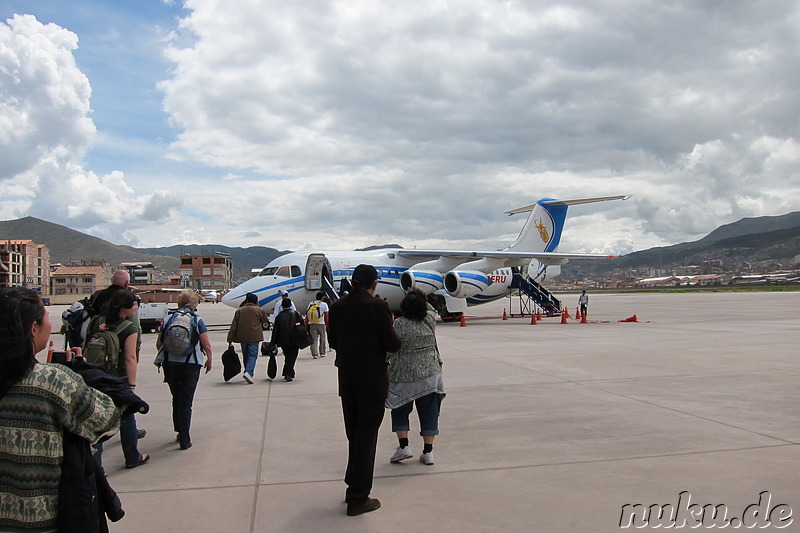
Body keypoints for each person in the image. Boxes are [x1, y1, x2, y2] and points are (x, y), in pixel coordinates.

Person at [0, 287, 121, 532]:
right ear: (33, 329)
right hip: (44, 520)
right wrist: (83, 372)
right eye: (45, 316)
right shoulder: (54, 382)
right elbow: (107, 418)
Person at [328, 264, 401, 516]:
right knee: (367, 437)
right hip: (372, 382)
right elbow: (391, 344)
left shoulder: (337, 307)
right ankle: (359, 498)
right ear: (374, 283)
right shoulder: (378, 307)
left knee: (355, 435)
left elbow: (333, 342)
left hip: (347, 380)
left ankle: (353, 487)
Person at [86, 290, 149, 470]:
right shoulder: (130, 328)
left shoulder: (97, 321)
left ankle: (97, 468)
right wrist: (132, 385)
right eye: (134, 305)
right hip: (117, 377)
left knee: (96, 422)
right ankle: (132, 457)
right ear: (125, 309)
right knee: (127, 416)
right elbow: (130, 358)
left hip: (95, 375)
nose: (136, 308)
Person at [386, 289, 445, 466]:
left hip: (404, 375)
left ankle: (403, 446)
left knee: (400, 408)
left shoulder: (400, 325)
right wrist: (420, 298)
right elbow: (430, 308)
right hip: (430, 374)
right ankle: (428, 452)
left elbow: (390, 348)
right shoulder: (429, 320)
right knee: (430, 411)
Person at [156, 290, 213, 450]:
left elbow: (159, 344)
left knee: (176, 398)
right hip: (191, 364)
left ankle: (179, 431)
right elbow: (206, 344)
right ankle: (185, 438)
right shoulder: (196, 320)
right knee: (186, 401)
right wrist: (209, 359)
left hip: (170, 364)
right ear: (194, 304)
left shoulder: (168, 319)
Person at [227, 292, 267, 384]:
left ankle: (247, 371)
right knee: (252, 355)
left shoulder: (239, 311)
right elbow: (264, 321)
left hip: (242, 337)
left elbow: (234, 326)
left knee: (246, 355)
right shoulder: (259, 310)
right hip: (254, 337)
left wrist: (230, 339)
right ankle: (249, 372)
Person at [270, 298, 303, 381]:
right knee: (292, 356)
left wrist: (273, 342)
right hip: (294, 339)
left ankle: (288, 372)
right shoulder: (296, 314)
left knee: (287, 356)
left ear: (282, 306)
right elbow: (302, 326)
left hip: (283, 340)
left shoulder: (279, 316)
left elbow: (275, 331)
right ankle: (288, 372)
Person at [305, 291, 329, 359]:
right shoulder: (324, 304)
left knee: (314, 339)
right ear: (322, 298)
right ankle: (322, 352)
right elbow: (326, 316)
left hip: (312, 323)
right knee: (322, 338)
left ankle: (314, 354)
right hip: (321, 323)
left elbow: (307, 315)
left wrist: (306, 325)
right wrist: (327, 324)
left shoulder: (310, 303)